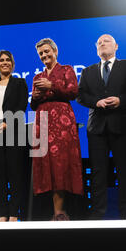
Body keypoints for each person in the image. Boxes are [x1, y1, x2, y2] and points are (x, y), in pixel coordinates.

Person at [77, 34, 126, 220]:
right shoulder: (87, 71)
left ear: (116, 46)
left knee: (125, 171)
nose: (102, 44)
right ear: (96, 49)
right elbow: (80, 96)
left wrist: (121, 100)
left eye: (107, 41)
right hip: (96, 128)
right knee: (98, 173)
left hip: (122, 125)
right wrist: (96, 102)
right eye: (99, 43)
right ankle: (97, 215)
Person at [30, 38, 84, 221]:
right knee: (46, 166)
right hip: (42, 123)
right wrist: (35, 97)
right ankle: (52, 211)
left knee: (61, 164)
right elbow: (32, 105)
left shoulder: (67, 70)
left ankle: (61, 212)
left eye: (46, 51)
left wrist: (51, 86)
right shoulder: (37, 77)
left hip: (62, 123)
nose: (44, 55)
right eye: (41, 54)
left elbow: (73, 92)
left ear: (55, 51)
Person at [0, 50, 29, 222]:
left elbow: (21, 107)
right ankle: (2, 214)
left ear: (12, 64)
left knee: (15, 174)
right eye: (1, 60)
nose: (5, 62)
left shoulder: (20, 83)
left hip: (13, 133)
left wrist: (7, 123)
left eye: (8, 60)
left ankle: (14, 213)